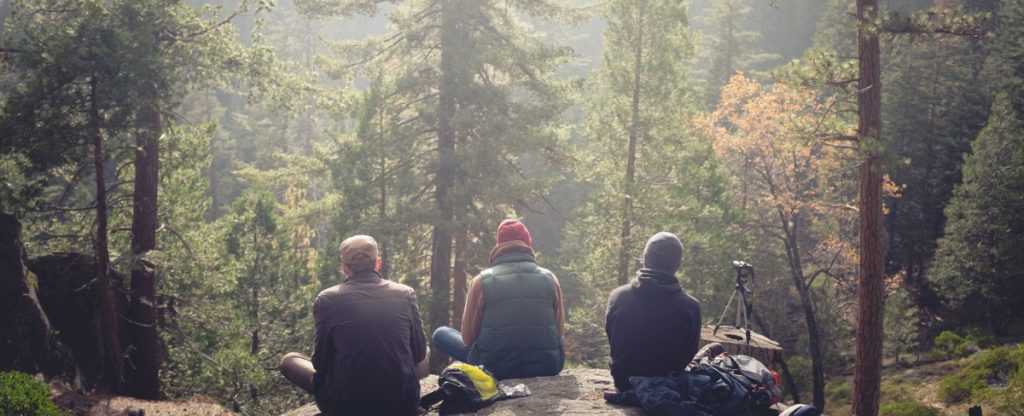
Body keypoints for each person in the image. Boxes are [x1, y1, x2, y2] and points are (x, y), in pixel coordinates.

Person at [279, 235, 430, 416]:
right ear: (378, 263)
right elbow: (419, 354)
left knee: (289, 360)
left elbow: (320, 363)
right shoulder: (405, 294)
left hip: (344, 407)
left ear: (345, 268)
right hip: (401, 405)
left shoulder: (327, 299)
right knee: (426, 351)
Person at [432, 219, 565, 380]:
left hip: (493, 369)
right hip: (546, 366)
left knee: (440, 334)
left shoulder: (481, 281)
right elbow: (558, 333)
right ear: (528, 243)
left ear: (499, 246)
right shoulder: (550, 278)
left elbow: (468, 340)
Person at [605, 232, 702, 392]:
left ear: (645, 259)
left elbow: (613, 340)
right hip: (667, 388)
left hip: (624, 384)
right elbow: (687, 356)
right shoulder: (690, 307)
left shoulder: (617, 296)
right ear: (677, 265)